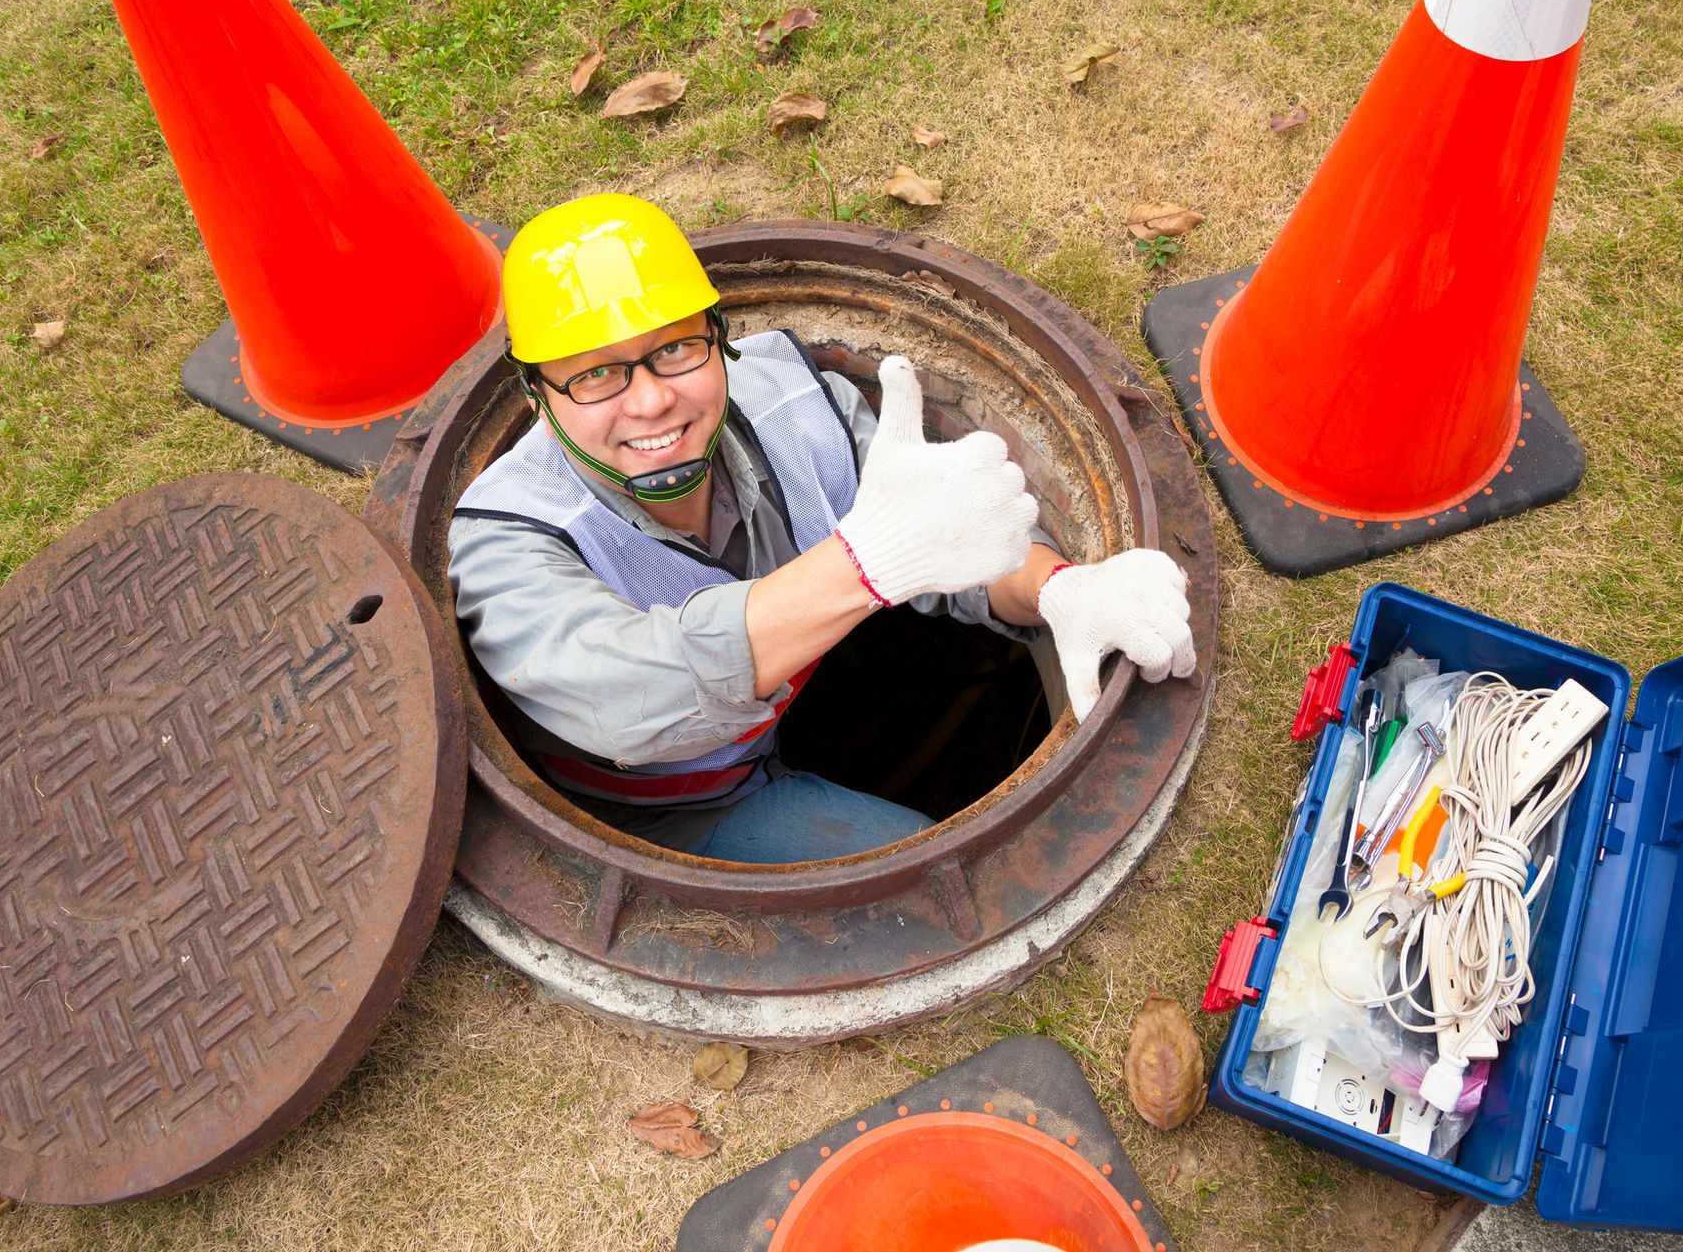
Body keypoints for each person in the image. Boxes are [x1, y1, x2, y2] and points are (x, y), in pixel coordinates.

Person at [447, 194, 1197, 863]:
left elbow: (946, 539)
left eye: (675, 348)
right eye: (595, 374)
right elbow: (628, 698)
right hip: (676, 813)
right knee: (933, 879)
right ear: (539, 398)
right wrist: (862, 568)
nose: (649, 402)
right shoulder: (508, 538)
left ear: (719, 338)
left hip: (783, 719)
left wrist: (1059, 585)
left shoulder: (797, 409)